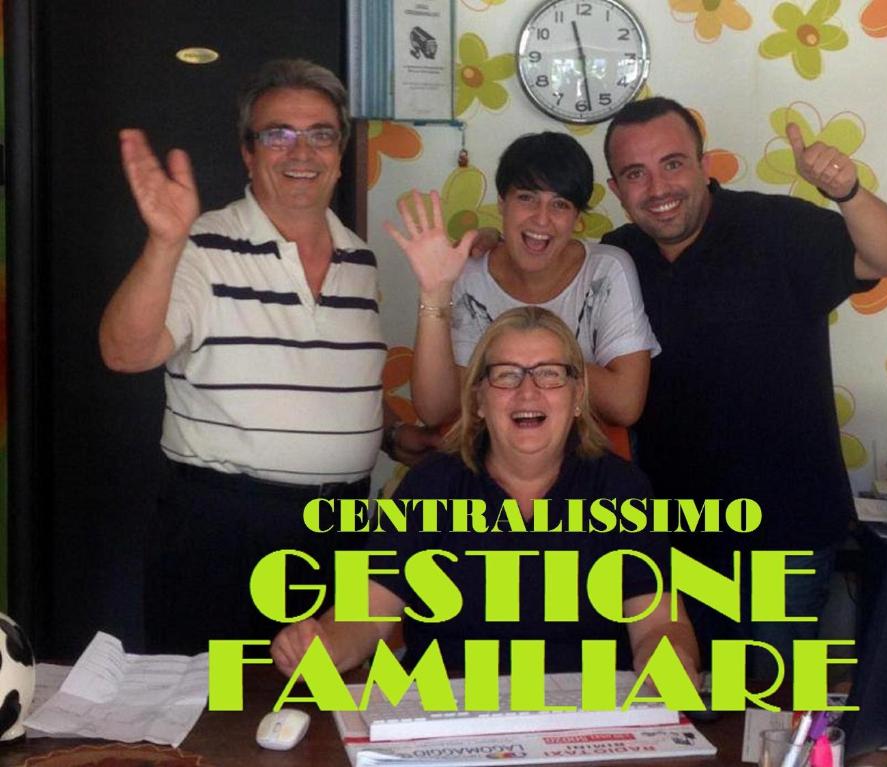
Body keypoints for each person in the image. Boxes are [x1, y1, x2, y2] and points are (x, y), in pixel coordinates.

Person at [98, 59, 439, 654]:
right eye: (277, 133)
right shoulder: (202, 245)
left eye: (320, 134)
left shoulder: (361, 259)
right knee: (212, 710)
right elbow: (126, 352)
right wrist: (163, 244)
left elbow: (322, 378)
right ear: (248, 153)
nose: (300, 151)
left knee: (325, 709)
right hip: (222, 528)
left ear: (340, 152)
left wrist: (386, 434)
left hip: (342, 530)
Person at [599, 97, 887, 672]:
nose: (658, 187)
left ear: (703, 163)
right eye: (635, 174)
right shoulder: (614, 260)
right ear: (617, 188)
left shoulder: (779, 228)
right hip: (670, 540)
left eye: (673, 164)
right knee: (683, 709)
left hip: (782, 538)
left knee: (768, 713)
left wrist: (846, 191)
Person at [271, 307, 699, 681]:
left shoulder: (621, 488)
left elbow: (659, 622)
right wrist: (321, 647)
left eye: (549, 374)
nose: (527, 392)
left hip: (584, 721)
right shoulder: (430, 485)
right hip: (445, 720)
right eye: (506, 375)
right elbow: (366, 612)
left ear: (577, 397)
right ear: (478, 399)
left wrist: (670, 662)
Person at [385, 132, 659, 433]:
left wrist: (510, 363)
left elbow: (625, 405)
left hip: (585, 465)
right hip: (486, 463)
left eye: (560, 205)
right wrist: (435, 293)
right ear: (502, 203)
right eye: (527, 198)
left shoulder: (606, 270)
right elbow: (437, 410)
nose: (541, 219)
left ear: (577, 217)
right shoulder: (468, 274)